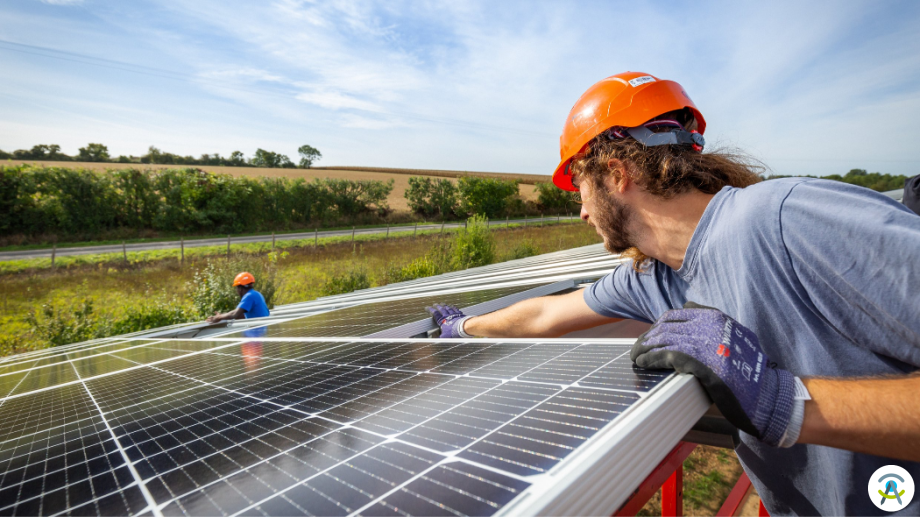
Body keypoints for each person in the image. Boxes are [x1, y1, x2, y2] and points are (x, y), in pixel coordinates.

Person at [428, 72, 920, 517]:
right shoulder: (653, 276)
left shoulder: (788, 220)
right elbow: (544, 315)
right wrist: (462, 327)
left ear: (618, 175)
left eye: (580, 187)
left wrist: (784, 402)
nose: (580, 212)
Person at [206, 271, 270, 323]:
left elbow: (235, 314)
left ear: (240, 288)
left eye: (236, 288)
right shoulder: (257, 294)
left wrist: (218, 317)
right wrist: (222, 316)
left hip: (258, 331)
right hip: (263, 328)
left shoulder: (249, 296)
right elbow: (240, 315)